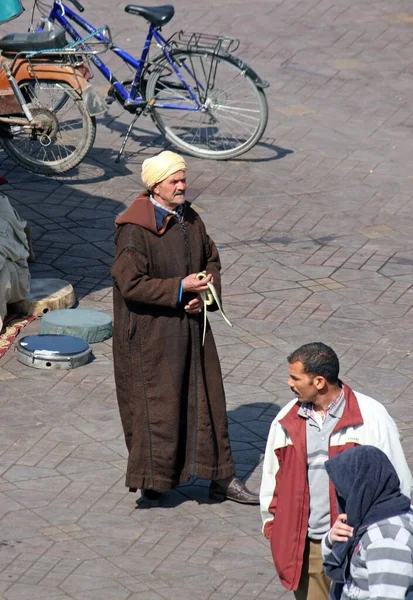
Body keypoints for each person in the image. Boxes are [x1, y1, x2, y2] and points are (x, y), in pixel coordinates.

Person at [111, 150, 258, 507]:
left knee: (208, 399)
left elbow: (210, 260)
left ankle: (221, 477)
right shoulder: (134, 232)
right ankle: (157, 479)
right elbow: (130, 284)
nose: (182, 185)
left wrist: (203, 295)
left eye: (183, 178)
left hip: (192, 328)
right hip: (150, 337)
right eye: (175, 181)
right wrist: (180, 288)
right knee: (158, 408)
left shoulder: (189, 218)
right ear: (155, 186)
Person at [259, 341, 412, 600]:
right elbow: (273, 481)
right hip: (309, 547)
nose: (289, 383)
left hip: (360, 543)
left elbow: (399, 482)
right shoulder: (285, 420)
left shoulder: (372, 418)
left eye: (295, 377)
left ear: (319, 382)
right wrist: (275, 529)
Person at [322, 445, 413, 600]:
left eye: (344, 487)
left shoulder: (386, 539)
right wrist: (331, 539)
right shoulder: (376, 512)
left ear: (361, 487)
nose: (340, 494)